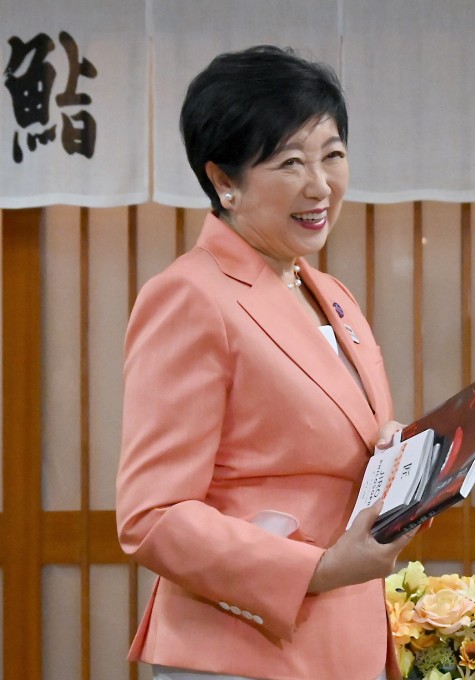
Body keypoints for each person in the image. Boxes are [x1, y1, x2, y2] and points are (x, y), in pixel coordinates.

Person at [116, 46, 415, 680]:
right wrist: (319, 569)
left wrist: (395, 459)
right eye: (289, 162)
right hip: (239, 651)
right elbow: (152, 516)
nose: (320, 185)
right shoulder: (189, 295)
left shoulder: (328, 293)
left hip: (341, 643)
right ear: (224, 181)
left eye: (332, 154)